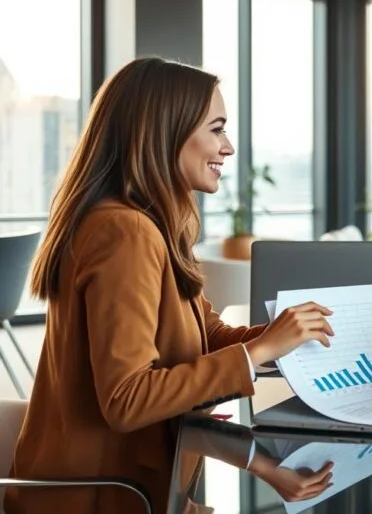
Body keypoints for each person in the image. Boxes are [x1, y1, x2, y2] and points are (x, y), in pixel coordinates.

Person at [5, 58, 335, 514]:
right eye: (216, 129)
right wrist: (259, 352)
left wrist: (281, 336)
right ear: (165, 132)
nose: (229, 147)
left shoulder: (150, 225)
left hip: (141, 491)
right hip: (110, 499)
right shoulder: (126, 232)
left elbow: (205, 336)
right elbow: (128, 398)